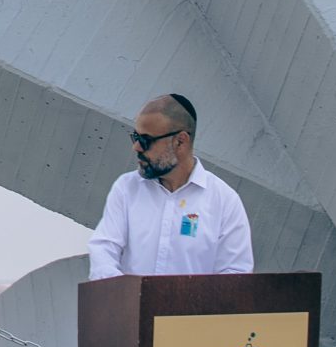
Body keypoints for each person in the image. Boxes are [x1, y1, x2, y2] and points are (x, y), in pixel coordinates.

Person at [87, 93, 253, 278]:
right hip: (128, 298)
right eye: (135, 137)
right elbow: (104, 250)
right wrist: (123, 292)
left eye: (146, 141)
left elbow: (235, 275)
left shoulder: (225, 201)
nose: (137, 147)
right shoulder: (126, 188)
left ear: (180, 141)